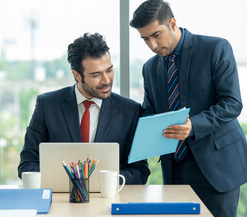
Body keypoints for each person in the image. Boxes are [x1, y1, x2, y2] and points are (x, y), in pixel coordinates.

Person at [130, 0, 247, 217]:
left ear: (172, 23)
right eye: (145, 39)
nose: (152, 45)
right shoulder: (149, 68)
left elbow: (232, 103)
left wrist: (194, 126)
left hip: (217, 167)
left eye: (156, 35)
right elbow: (150, 110)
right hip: (175, 168)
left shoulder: (215, 48)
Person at [18, 32, 150, 185]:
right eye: (96, 75)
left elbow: (140, 172)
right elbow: (27, 166)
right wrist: (71, 181)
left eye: (109, 70)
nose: (106, 80)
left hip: (110, 201)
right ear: (77, 76)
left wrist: (104, 181)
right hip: (60, 203)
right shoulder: (47, 106)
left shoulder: (130, 111)